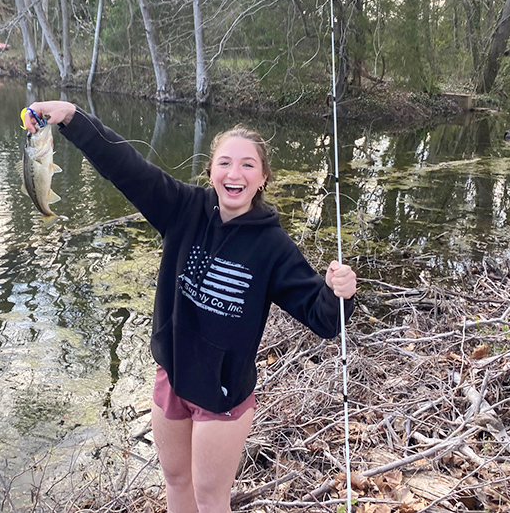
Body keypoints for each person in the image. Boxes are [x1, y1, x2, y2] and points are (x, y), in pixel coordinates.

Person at [22, 101, 357, 513]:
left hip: (222, 393)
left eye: (248, 165)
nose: (235, 174)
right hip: (173, 376)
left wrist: (339, 292)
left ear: (263, 178)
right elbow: (125, 167)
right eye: (225, 163)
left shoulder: (273, 247)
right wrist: (71, 117)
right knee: (176, 482)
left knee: (209, 496)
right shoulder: (182, 209)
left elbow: (324, 319)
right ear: (211, 171)